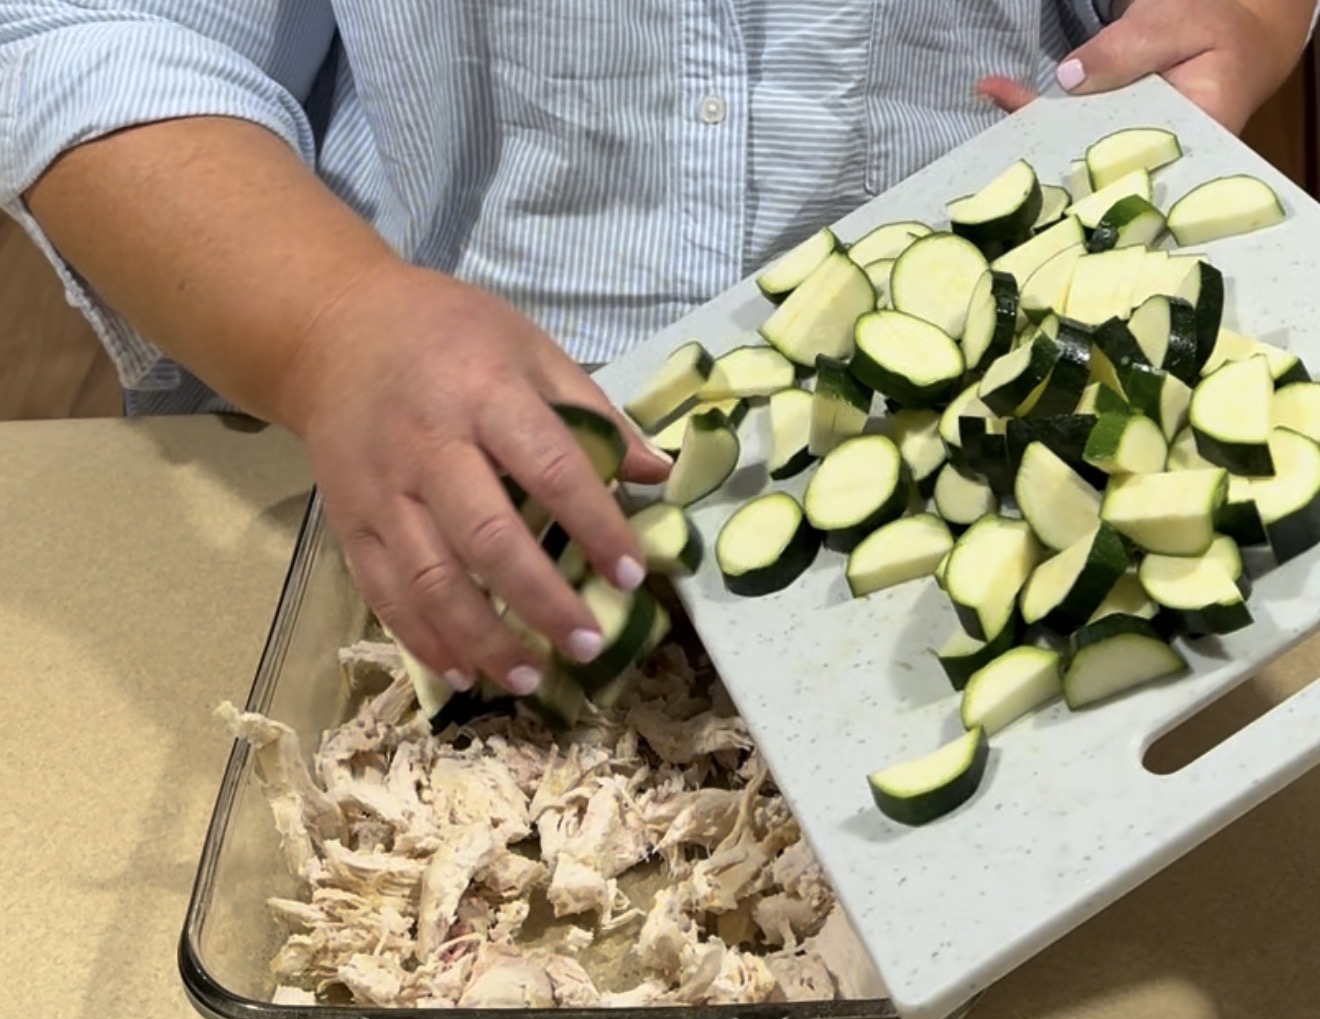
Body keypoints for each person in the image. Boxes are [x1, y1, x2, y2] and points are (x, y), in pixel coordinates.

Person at [0, 0, 1313, 700]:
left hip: (1016, 485)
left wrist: (1244, 17)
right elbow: (91, 28)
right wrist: (327, 324)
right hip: (418, 509)